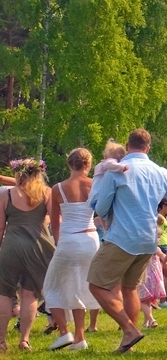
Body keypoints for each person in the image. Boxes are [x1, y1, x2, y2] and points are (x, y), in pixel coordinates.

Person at [88, 128, 167, 353]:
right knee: (130, 290)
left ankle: (129, 329)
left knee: (96, 284)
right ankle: (127, 345)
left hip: (122, 237)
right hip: (149, 240)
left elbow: (100, 207)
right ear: (148, 148)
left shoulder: (117, 170)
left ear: (128, 146)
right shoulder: (161, 172)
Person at [42, 149, 101, 351]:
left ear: (69, 164)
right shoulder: (95, 184)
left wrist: (59, 243)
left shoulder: (58, 188)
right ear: (88, 164)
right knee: (79, 287)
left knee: (51, 286)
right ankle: (80, 337)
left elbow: (55, 224)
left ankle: (64, 332)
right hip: (91, 238)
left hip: (69, 238)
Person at [0, 157, 55, 352]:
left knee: (4, 293)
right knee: (30, 294)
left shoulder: (7, 195)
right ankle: (24, 339)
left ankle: (1, 341)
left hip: (11, 246)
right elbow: (55, 222)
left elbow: (0, 228)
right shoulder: (47, 193)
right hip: (37, 246)